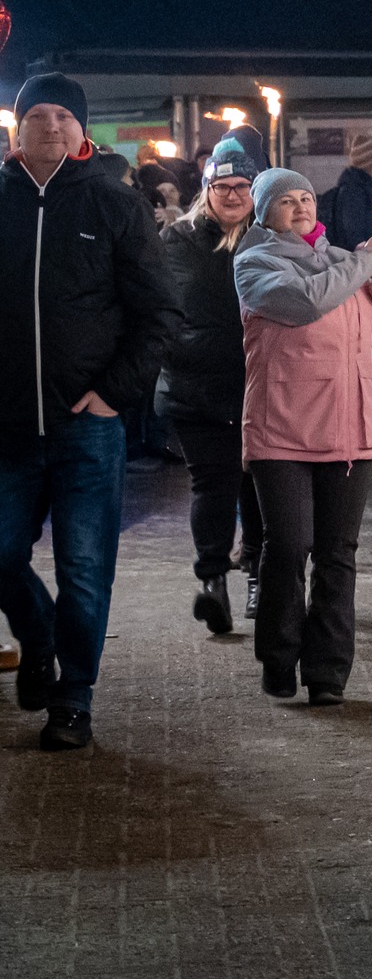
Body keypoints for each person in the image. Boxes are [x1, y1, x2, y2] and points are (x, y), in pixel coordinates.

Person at [0, 74, 180, 750]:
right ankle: (39, 633)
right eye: (37, 114)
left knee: (83, 568)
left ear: (82, 130)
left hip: (88, 427)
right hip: (8, 427)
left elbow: (159, 312)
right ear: (18, 127)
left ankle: (73, 698)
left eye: (62, 115)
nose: (50, 124)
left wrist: (116, 392)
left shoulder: (114, 204)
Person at [236, 167, 372, 705]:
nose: (301, 206)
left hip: (350, 428)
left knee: (337, 553)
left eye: (306, 197)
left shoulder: (344, 260)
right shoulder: (254, 262)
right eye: (286, 200)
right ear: (265, 213)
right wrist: (366, 260)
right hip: (281, 428)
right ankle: (279, 657)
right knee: (289, 546)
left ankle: (328, 672)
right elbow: (305, 302)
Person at [161, 134, 268, 632]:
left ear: (255, 189)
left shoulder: (270, 237)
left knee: (260, 485)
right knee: (213, 484)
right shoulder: (177, 240)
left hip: (261, 386)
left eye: (241, 185)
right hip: (196, 387)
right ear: (206, 189)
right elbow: (162, 305)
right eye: (221, 186)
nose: (231, 194)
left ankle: (259, 576)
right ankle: (213, 583)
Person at [319, 130, 372, 253]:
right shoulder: (358, 194)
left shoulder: (347, 191)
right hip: (365, 260)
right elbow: (355, 238)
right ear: (369, 165)